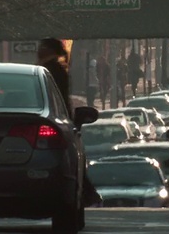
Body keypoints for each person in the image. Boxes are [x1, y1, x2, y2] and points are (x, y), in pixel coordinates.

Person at [36, 38, 102, 209]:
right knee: (72, 163)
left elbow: (61, 102)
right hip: (61, 123)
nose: (38, 50)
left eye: (42, 47)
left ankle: (87, 193)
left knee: (70, 162)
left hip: (59, 124)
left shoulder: (50, 72)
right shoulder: (51, 70)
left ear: (49, 50)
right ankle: (88, 194)